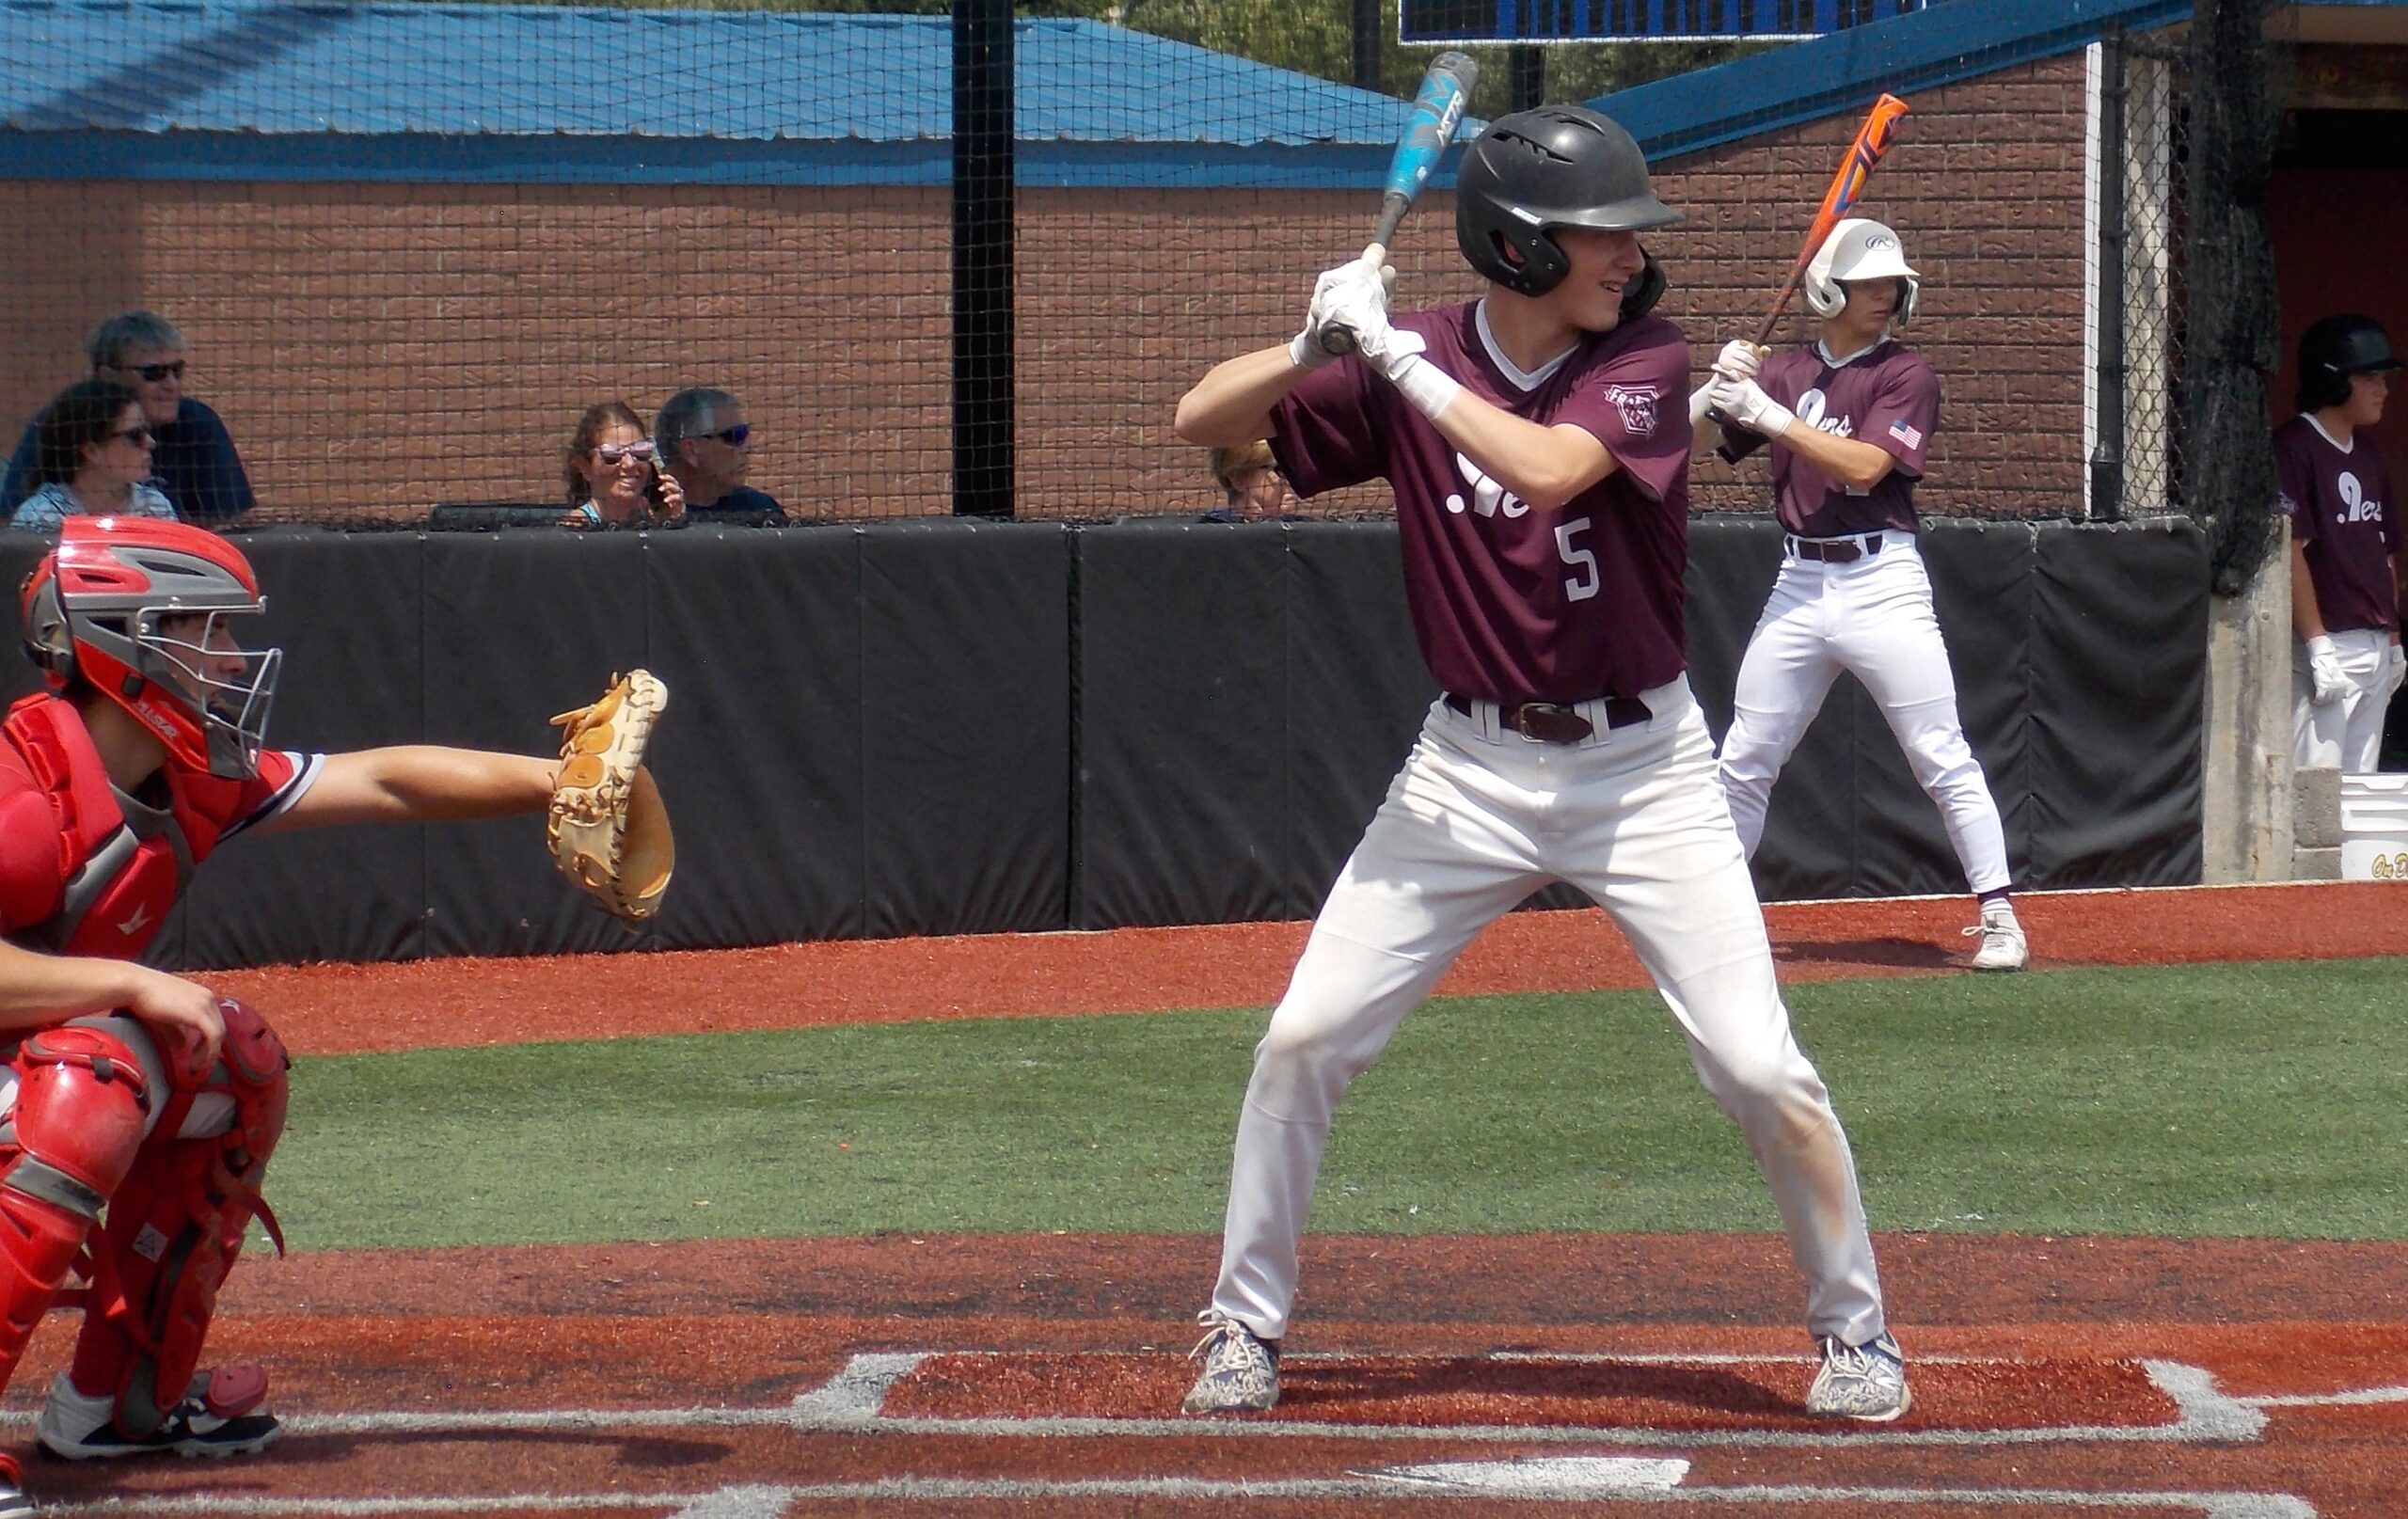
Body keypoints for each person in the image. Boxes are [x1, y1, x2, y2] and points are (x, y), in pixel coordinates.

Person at [1169, 105, 1906, 1423]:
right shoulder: (1423, 356)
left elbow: (1550, 468)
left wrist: (1390, 358)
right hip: (1465, 769)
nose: (1629, 255)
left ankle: (1857, 1333)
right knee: (1304, 1036)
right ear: (1517, 245)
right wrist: (1310, 343)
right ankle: (1241, 1324)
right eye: (1600, 233)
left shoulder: (1644, 357)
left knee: (1755, 1063)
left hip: (1648, 770)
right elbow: (1200, 424)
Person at [0, 515, 578, 1514]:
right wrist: (133, 983)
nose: (228, 657)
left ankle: (115, 1402)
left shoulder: (185, 776)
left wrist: (559, 786)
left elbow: (384, 779)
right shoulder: (19, 787)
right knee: (98, 1073)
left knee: (233, 1069)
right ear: (125, 642)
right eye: (205, 630)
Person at [1697, 219, 2028, 972]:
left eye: (1892, 285)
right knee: (1746, 755)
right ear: (1829, 290)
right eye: (1870, 284)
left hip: (1882, 579)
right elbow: (1691, 450)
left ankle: (2001, 916)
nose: (1886, 296)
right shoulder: (1781, 371)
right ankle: (1713, 917)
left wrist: (1771, 415)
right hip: (1798, 579)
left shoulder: (1905, 373)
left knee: (1938, 751)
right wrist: (1713, 389)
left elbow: (1866, 468)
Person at [2277, 313, 2404, 774]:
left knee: (2360, 786)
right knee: (2318, 788)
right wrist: (2317, 644)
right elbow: (2290, 549)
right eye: (2370, 377)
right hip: (2328, 645)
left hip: (2373, 645)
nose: (2383, 389)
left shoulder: (2369, 454)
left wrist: (2392, 639)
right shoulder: (2295, 446)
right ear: (2333, 380)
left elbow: (2384, 550)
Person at [4, 311, 253, 524]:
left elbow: (228, 525)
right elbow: (10, 520)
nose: (171, 384)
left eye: (177, 370)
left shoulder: (198, 423)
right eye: (153, 373)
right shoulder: (62, 422)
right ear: (107, 376)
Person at [8, 380, 180, 530]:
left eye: (147, 431)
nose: (150, 442)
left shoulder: (155, 507)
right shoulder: (42, 517)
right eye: (135, 435)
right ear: (92, 451)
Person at [654, 388, 783, 518]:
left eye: (744, 433)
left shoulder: (760, 509)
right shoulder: (647, 513)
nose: (747, 448)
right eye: (735, 436)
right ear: (691, 451)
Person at [562, 402, 686, 528]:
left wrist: (674, 521)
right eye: (613, 454)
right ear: (585, 467)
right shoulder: (577, 526)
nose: (630, 463)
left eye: (640, 451)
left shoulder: (649, 514)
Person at [1200, 441, 1296, 522]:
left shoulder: (1305, 531)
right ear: (1239, 478)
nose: (1290, 479)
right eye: (1279, 469)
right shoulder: (1215, 533)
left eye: (1292, 468)